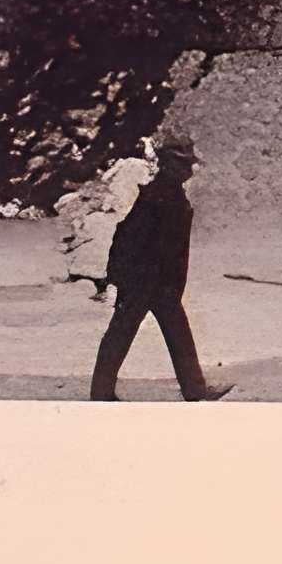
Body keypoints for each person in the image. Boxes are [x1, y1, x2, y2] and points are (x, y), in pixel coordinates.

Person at [88, 136, 234, 402]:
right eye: (185, 164)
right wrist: (118, 277)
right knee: (121, 333)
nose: (190, 169)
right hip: (144, 280)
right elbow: (127, 235)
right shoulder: (157, 195)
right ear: (169, 165)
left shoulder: (171, 192)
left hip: (161, 281)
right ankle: (101, 393)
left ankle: (194, 389)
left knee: (176, 332)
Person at [57, 139, 157, 297]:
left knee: (98, 240)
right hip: (128, 208)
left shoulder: (123, 163)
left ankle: (86, 278)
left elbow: (105, 179)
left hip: (116, 206)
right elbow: (147, 186)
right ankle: (107, 284)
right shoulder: (144, 167)